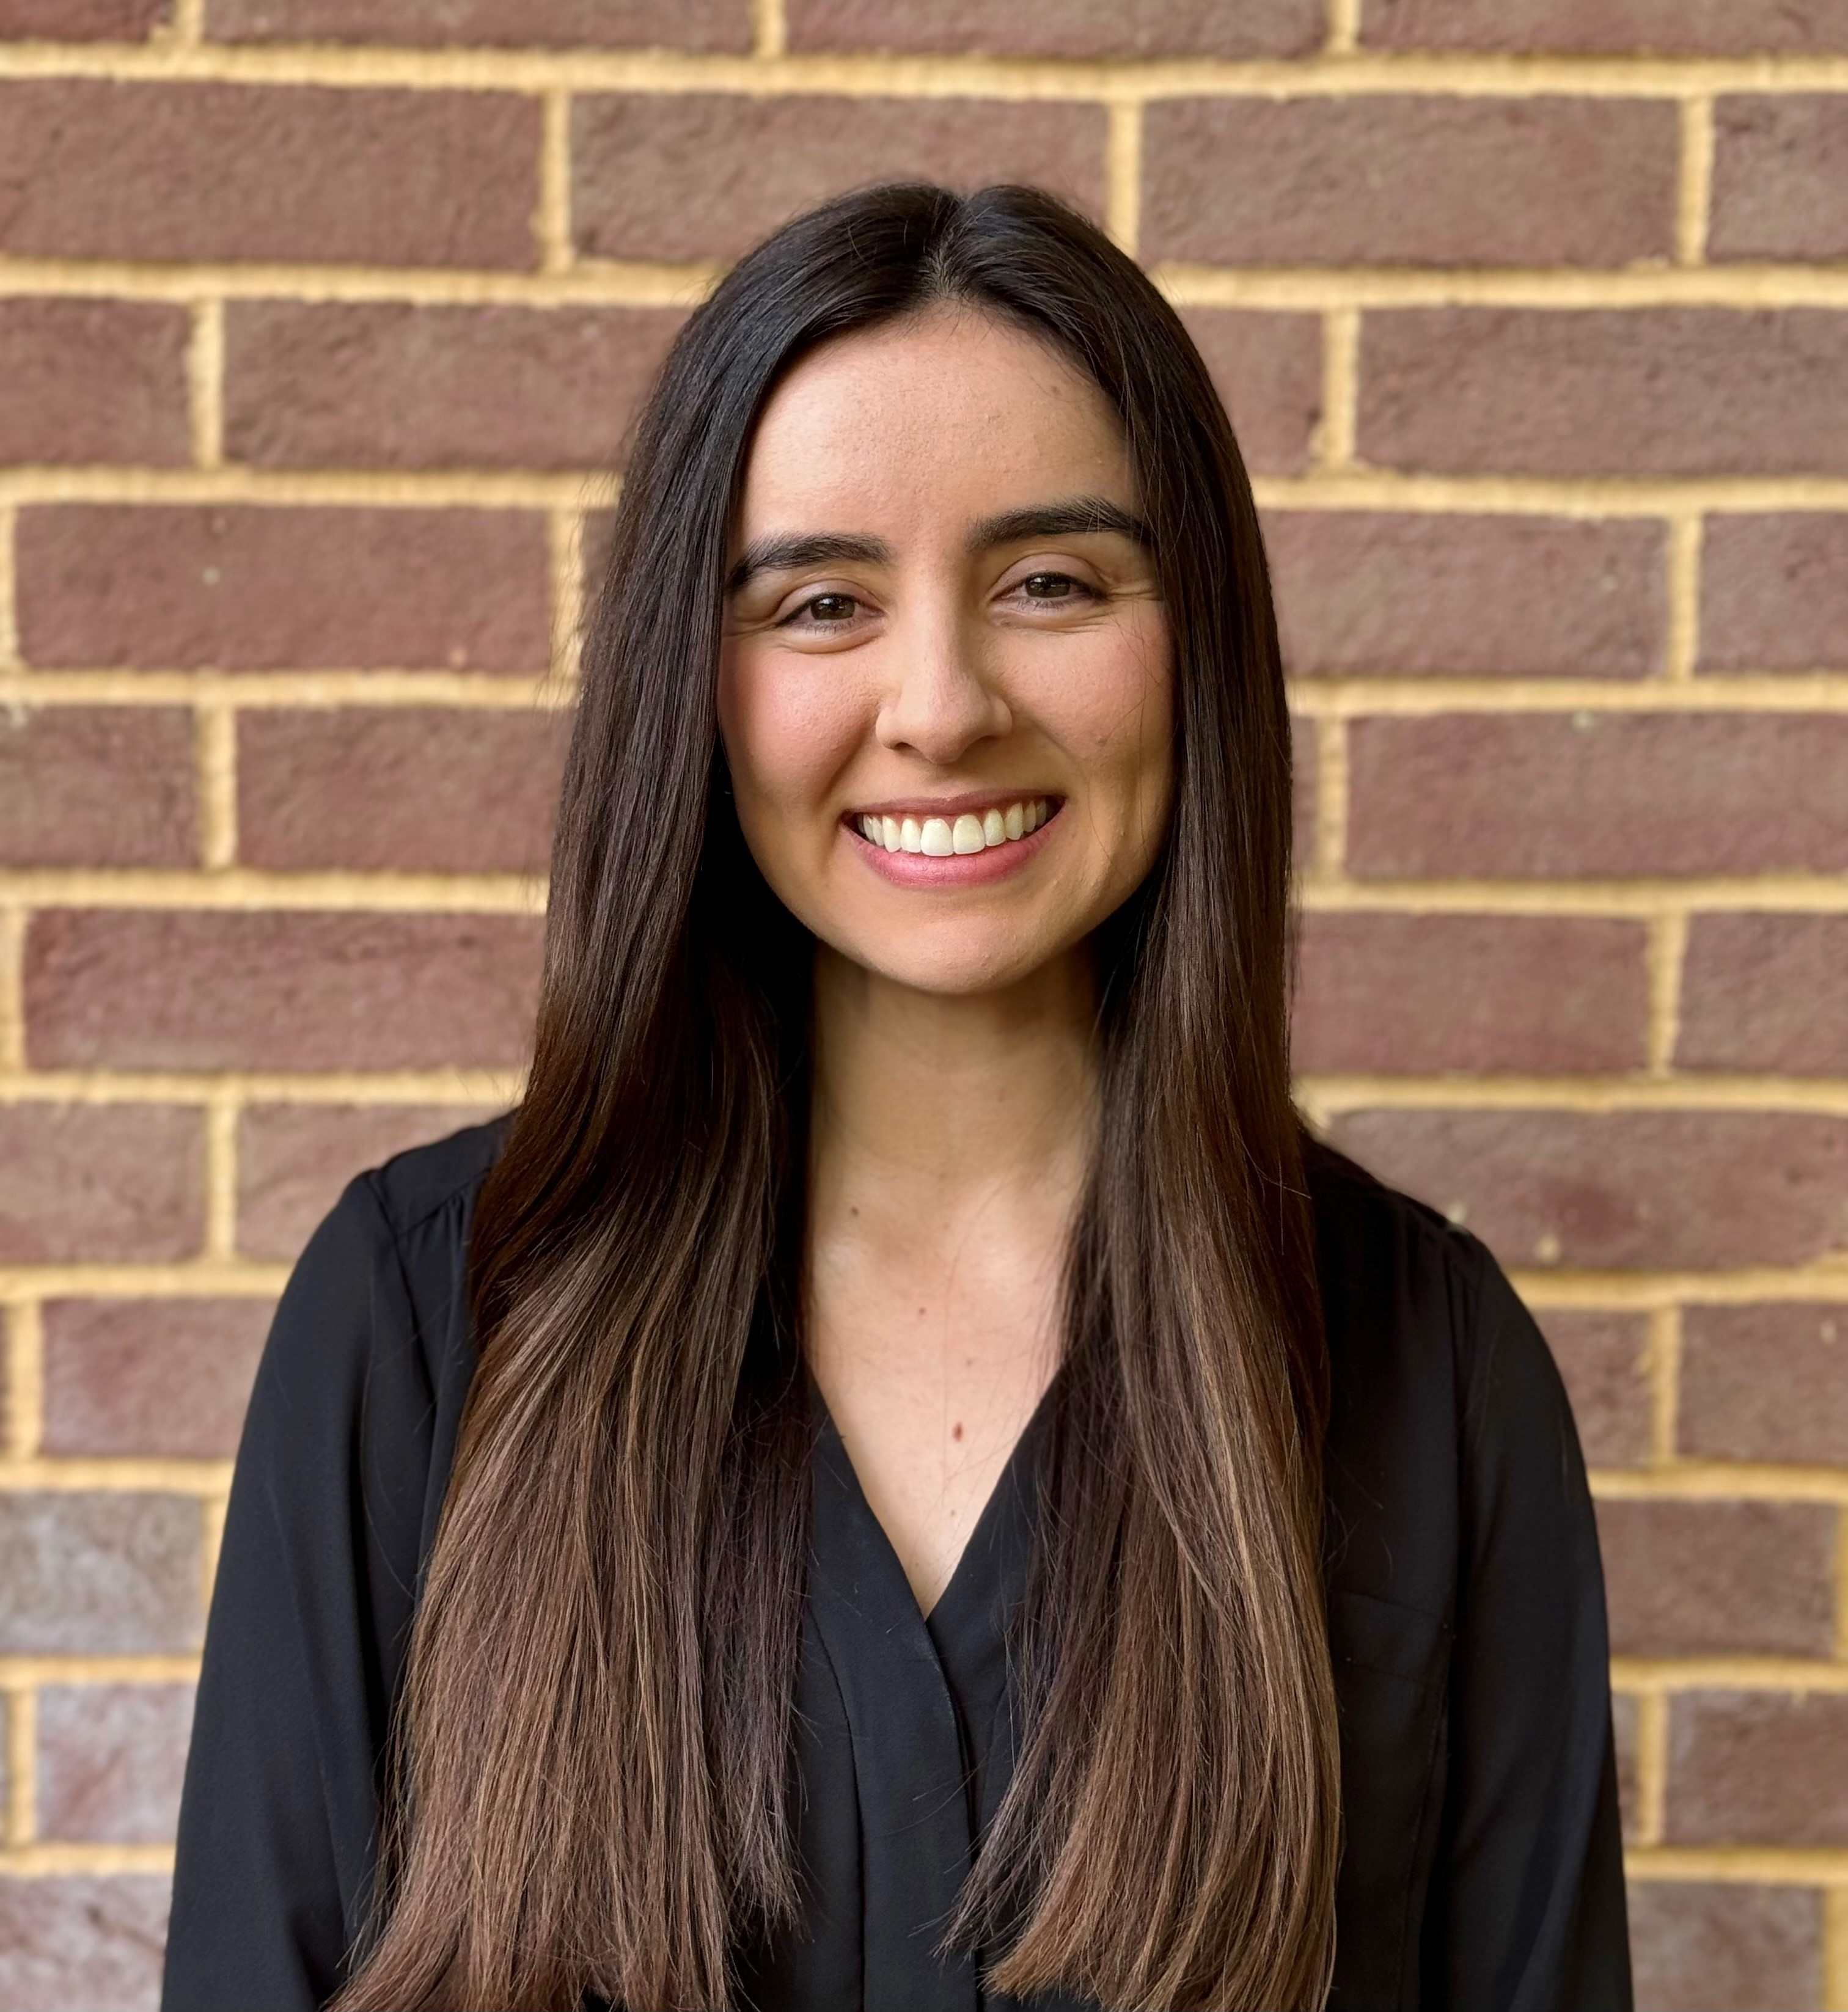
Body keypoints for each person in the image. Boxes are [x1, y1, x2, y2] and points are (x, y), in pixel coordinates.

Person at [160, 181, 1630, 2012]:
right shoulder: (419, 1325)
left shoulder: (1434, 1372)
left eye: (1049, 584)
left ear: (1199, 649)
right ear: (692, 685)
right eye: (823, 600)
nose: (939, 703)